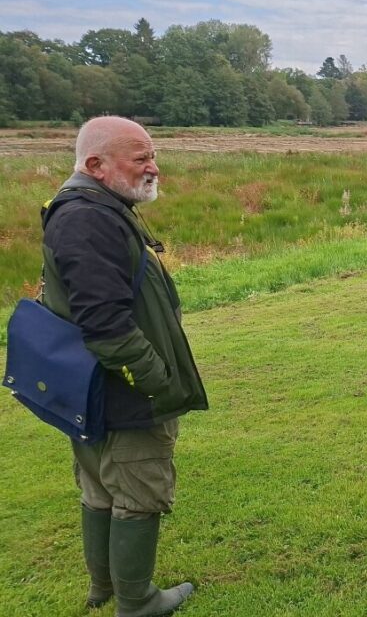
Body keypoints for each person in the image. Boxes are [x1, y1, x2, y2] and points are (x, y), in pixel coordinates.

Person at [40, 116, 208, 616]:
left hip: (90, 387)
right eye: (141, 159)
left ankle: (105, 587)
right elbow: (107, 325)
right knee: (139, 491)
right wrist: (158, 384)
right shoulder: (89, 220)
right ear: (96, 164)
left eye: (152, 156)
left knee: (99, 486)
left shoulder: (93, 208)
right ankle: (137, 601)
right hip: (122, 393)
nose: (154, 168)